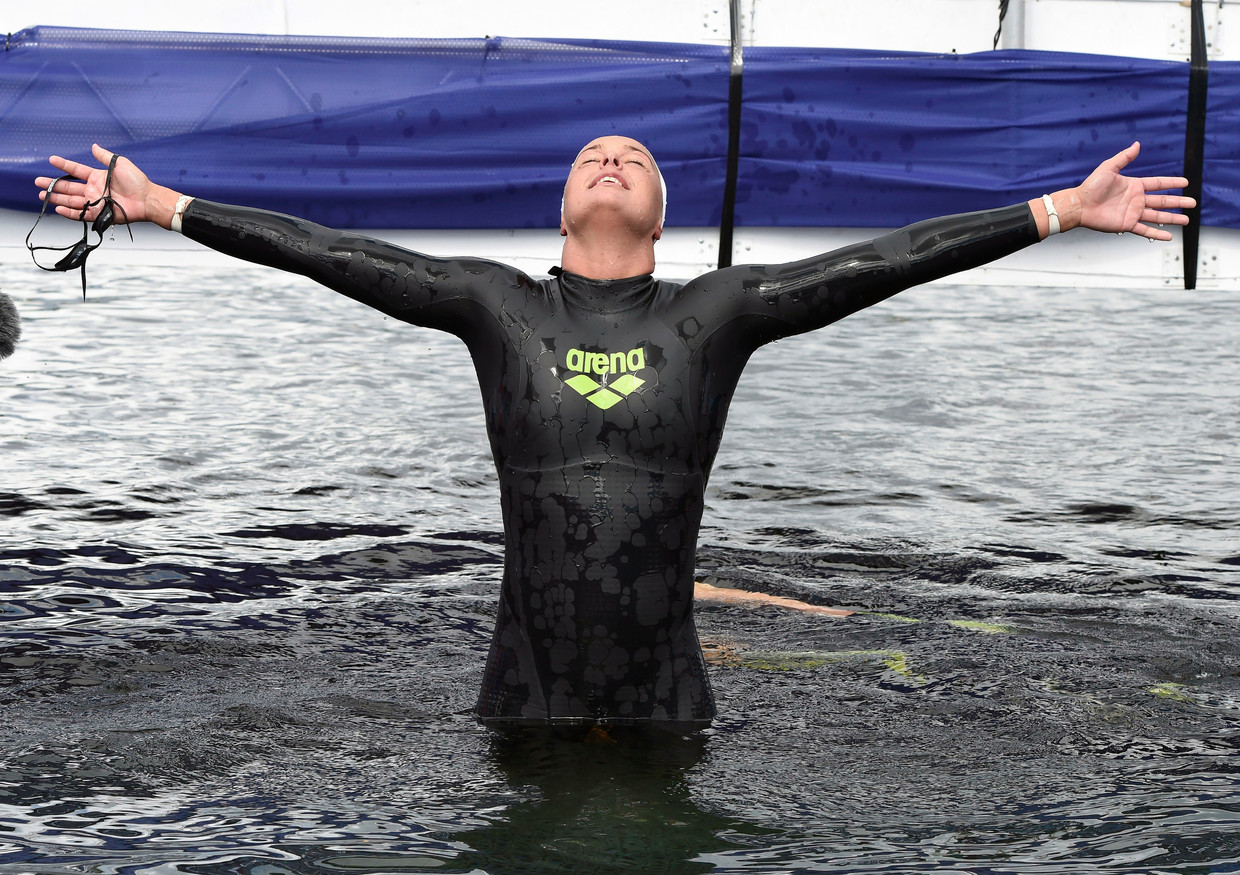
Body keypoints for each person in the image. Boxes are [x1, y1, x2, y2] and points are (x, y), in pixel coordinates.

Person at [35, 138, 1193, 730]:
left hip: (671, 707)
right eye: (592, 155)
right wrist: (166, 206)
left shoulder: (717, 312)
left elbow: (880, 262)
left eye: (634, 160)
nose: (610, 159)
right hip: (515, 698)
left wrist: (1055, 211)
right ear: (561, 207)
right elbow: (339, 252)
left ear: (657, 212)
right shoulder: (496, 302)